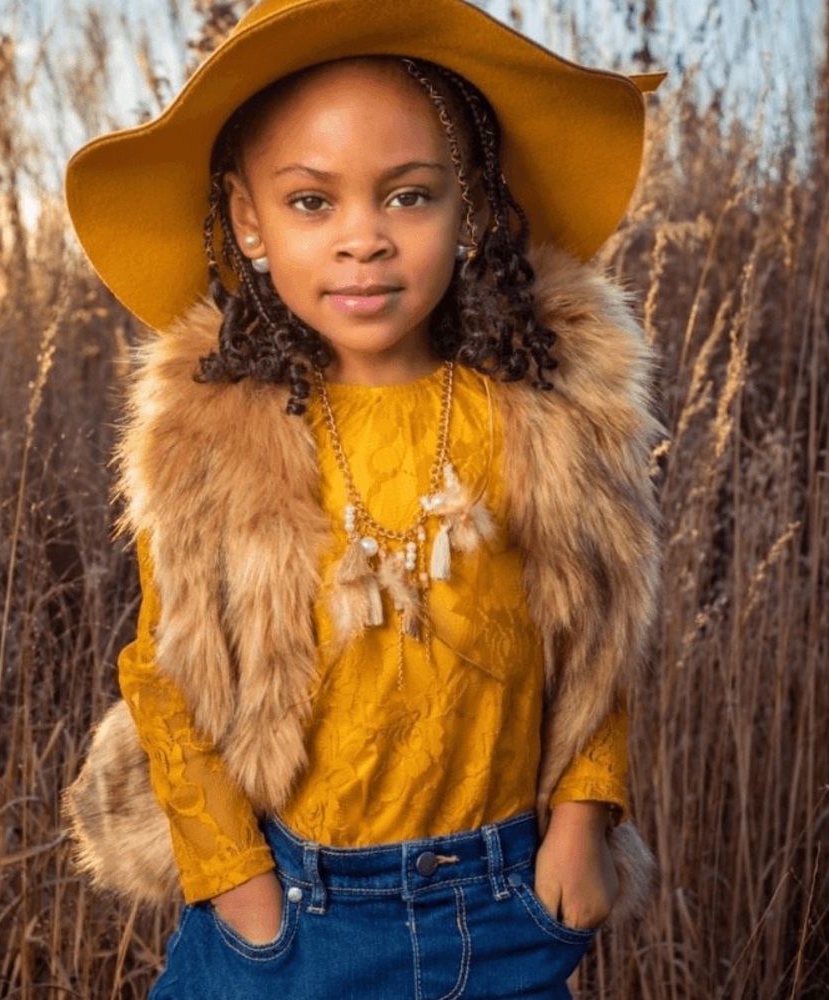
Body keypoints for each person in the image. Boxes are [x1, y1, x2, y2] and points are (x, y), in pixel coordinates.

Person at [64, 1, 664, 996]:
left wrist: (580, 820)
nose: (363, 241)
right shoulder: (215, 439)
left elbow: (593, 629)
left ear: (470, 208)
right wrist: (242, 887)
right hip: (291, 919)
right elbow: (166, 669)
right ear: (248, 219)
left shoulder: (532, 416)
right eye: (311, 203)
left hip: (502, 908)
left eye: (408, 196)